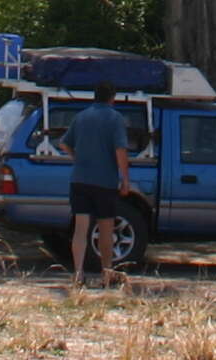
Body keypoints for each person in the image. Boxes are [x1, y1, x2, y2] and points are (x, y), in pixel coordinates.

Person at [65, 85, 132, 290]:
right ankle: (106, 273)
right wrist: (125, 179)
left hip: (80, 180)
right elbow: (120, 150)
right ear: (112, 98)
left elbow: (65, 143)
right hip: (105, 182)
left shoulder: (81, 117)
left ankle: (78, 274)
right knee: (105, 228)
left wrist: (77, 159)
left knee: (80, 228)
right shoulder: (115, 118)